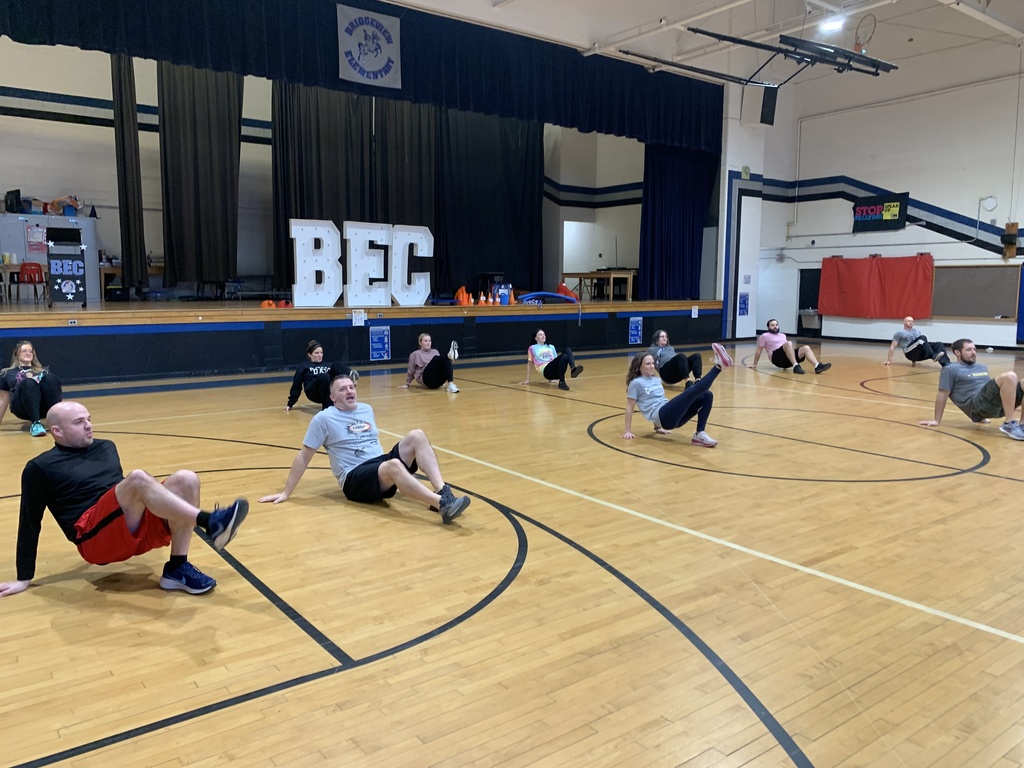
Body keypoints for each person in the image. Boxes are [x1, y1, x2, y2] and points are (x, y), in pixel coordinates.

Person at [0, 401, 249, 598]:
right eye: (79, 422)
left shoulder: (106, 446)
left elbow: (123, 496)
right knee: (138, 479)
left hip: (128, 526)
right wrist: (24, 577)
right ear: (57, 431)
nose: (88, 425)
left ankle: (177, 568)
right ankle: (209, 521)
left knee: (187, 479)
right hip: (93, 539)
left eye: (89, 419)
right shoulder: (40, 468)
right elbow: (29, 521)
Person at [261, 375, 471, 523]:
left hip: (379, 465)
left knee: (417, 434)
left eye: (351, 387)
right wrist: (286, 492)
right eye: (342, 389)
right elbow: (303, 456)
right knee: (394, 465)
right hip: (354, 479)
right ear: (332, 398)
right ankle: (442, 505)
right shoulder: (323, 419)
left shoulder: (366, 409)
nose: (349, 391)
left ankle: (442, 491)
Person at [623, 343, 734, 447]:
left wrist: (657, 428)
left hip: (671, 416)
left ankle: (699, 434)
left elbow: (655, 401)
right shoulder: (636, 383)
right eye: (648, 364)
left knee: (707, 395)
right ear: (639, 367)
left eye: (653, 363)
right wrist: (628, 431)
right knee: (692, 391)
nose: (652, 366)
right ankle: (718, 367)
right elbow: (629, 407)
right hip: (662, 416)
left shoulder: (657, 379)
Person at [918, 338, 1024, 439]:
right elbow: (942, 394)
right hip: (976, 406)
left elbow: (989, 391)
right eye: (968, 350)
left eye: (974, 349)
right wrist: (936, 420)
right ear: (957, 353)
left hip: (993, 407)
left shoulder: (982, 367)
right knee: (1010, 376)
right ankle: (1009, 424)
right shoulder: (950, 369)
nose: (973, 352)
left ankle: (1022, 425)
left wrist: (981, 419)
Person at [0, 340, 63, 437]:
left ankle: (57, 420)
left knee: (51, 378)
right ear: (17, 354)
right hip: (22, 407)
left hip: (43, 407)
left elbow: (54, 393)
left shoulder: (44, 371)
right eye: (24, 351)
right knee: (28, 383)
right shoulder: (7, 373)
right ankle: (36, 424)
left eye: (30, 351)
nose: (28, 353)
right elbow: (3, 399)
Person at [285, 340, 359, 411]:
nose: (320, 355)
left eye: (321, 353)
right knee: (324, 376)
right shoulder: (304, 366)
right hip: (313, 392)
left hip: (328, 391)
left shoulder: (328, 365)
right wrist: (290, 403)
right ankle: (327, 408)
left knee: (336, 365)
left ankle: (350, 377)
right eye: (316, 353)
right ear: (309, 354)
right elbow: (296, 385)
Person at [749, 319, 831, 374]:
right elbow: (759, 350)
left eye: (776, 325)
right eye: (772, 325)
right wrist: (754, 364)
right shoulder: (764, 336)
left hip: (786, 359)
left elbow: (787, 349)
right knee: (789, 343)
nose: (775, 327)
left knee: (806, 348)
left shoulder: (782, 335)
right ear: (768, 327)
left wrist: (785, 367)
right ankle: (796, 366)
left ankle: (817, 366)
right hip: (776, 358)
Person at [520, 329, 584, 391]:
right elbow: (530, 363)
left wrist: (552, 379)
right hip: (545, 370)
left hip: (555, 372)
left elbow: (556, 361)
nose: (543, 336)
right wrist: (527, 380)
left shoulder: (551, 347)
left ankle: (573, 369)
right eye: (540, 334)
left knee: (566, 352)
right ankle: (562, 382)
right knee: (564, 356)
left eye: (544, 334)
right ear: (536, 338)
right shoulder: (532, 348)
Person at [883, 316, 950, 367]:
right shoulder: (900, 333)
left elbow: (919, 346)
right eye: (909, 321)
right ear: (904, 322)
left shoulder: (917, 331)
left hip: (919, 355)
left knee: (939, 344)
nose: (911, 322)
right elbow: (892, 346)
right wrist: (889, 360)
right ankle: (933, 355)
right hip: (909, 353)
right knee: (922, 338)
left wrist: (914, 361)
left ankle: (946, 364)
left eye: (912, 321)